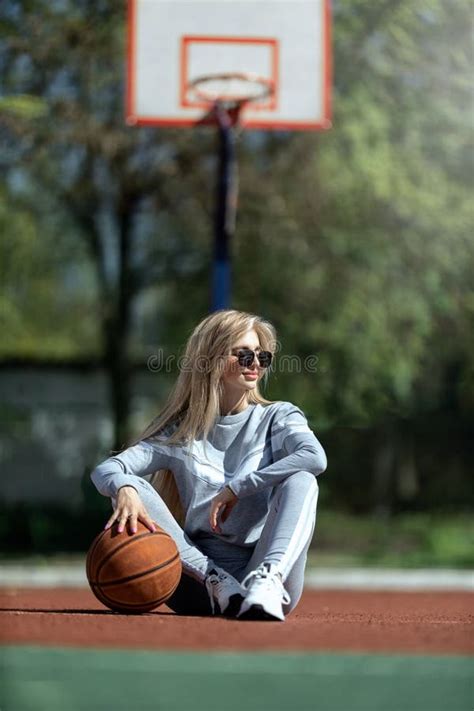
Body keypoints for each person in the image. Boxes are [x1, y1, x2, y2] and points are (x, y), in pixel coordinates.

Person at [90, 309, 327, 621]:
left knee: (303, 480)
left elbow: (314, 457)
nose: (255, 363)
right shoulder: (180, 433)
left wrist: (237, 488)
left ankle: (268, 581)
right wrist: (125, 487)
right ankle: (220, 582)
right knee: (131, 485)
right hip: (196, 582)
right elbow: (105, 469)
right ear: (212, 359)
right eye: (243, 355)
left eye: (262, 356)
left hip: (260, 575)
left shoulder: (279, 417)